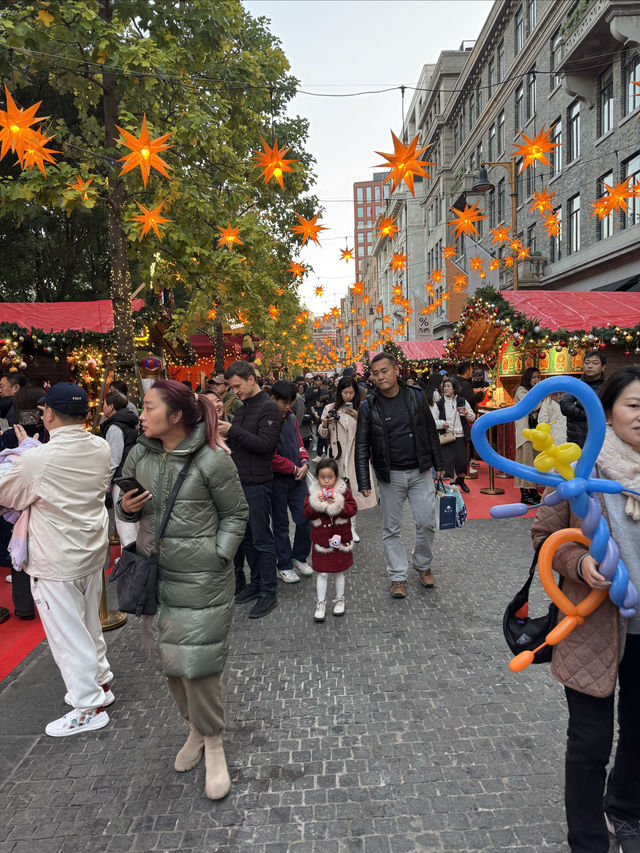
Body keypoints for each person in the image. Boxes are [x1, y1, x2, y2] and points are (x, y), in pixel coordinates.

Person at [117, 379, 248, 800]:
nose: (141, 414)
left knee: (200, 664)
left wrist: (218, 556)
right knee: (168, 661)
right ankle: (195, 729)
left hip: (202, 579)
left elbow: (236, 513)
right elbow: (119, 499)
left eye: (149, 407)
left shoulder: (213, 459)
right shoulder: (140, 453)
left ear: (175, 416)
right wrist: (124, 507)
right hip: (153, 575)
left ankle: (214, 743)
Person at [530, 365, 640, 853]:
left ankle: (625, 809)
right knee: (590, 744)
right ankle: (589, 839)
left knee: (638, 736)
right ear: (607, 412)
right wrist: (578, 563)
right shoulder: (578, 470)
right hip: (593, 627)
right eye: (634, 406)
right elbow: (544, 538)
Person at [0, 383, 114, 736]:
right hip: (90, 550)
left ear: (48, 414)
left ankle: (88, 705)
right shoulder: (99, 445)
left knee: (67, 635)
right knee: (86, 624)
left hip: (56, 557)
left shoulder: (39, 459)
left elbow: (9, 493)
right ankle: (101, 683)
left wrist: (20, 452)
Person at [355, 353, 445, 598]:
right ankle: (397, 576)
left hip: (420, 471)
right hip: (390, 475)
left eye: (384, 371)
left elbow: (429, 431)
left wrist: (439, 463)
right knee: (391, 528)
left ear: (396, 371)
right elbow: (362, 445)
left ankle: (422, 563)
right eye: (375, 373)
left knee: (426, 522)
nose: (380, 376)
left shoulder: (415, 396)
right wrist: (364, 481)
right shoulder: (368, 406)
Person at [217, 361, 282, 618]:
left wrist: (233, 430)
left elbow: (266, 446)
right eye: (231, 387)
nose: (234, 391)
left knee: (262, 539)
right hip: (241, 482)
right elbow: (242, 442)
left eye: (237, 386)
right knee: (247, 539)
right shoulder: (244, 409)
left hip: (258, 484)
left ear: (251, 379)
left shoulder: (269, 408)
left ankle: (268, 591)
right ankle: (255, 583)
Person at [318, 375, 377, 542]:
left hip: (354, 457)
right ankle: (336, 528)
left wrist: (359, 418)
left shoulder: (362, 409)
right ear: (339, 393)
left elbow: (371, 433)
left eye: (351, 393)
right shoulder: (330, 408)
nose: (348, 396)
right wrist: (325, 423)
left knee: (352, 496)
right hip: (337, 458)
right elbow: (322, 435)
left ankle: (352, 529)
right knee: (335, 495)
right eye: (345, 393)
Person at [303, 457, 357, 622]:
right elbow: (307, 513)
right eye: (322, 477)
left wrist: (337, 505)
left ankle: (340, 599)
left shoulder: (344, 490)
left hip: (340, 538)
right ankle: (321, 603)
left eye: (330, 477)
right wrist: (317, 505)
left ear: (336, 477)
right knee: (323, 573)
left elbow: (352, 509)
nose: (326, 481)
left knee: (339, 571)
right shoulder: (313, 492)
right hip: (322, 539)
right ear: (317, 476)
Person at [269, 381, 312, 583]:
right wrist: (293, 468)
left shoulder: (292, 418)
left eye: (290, 402)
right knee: (281, 524)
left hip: (298, 478)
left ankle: (299, 556)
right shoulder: (267, 420)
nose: (288, 406)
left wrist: (304, 463)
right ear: (273, 399)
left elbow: (299, 443)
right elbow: (271, 456)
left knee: (306, 519)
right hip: (277, 479)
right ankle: (284, 564)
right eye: (284, 402)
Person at [101, 389, 139, 550]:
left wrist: (106, 483)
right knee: (131, 523)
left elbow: (114, 459)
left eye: (104, 404)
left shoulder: (115, 427)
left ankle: (130, 564)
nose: (102, 407)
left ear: (111, 406)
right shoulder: (128, 422)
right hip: (130, 475)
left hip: (121, 479)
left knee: (125, 525)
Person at [431, 376, 476, 493]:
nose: (446, 389)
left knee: (462, 461)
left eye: (448, 386)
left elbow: (472, 417)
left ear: (454, 388)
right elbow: (433, 421)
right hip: (446, 437)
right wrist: (442, 424)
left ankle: (461, 479)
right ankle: (452, 485)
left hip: (460, 435)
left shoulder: (462, 401)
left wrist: (466, 413)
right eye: (444, 386)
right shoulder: (439, 404)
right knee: (449, 462)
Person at [561, 350, 607, 448]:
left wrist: (578, 404)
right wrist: (591, 413)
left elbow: (607, 410)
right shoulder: (574, 384)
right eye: (587, 363)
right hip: (575, 441)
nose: (590, 366)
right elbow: (565, 406)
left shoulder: (607, 387)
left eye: (595, 363)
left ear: (603, 367)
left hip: (601, 442)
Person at [514, 367, 542, 506]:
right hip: (525, 434)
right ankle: (524, 493)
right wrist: (542, 396)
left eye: (538, 377)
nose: (537, 380)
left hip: (535, 434)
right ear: (527, 378)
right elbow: (532, 405)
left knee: (535, 462)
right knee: (525, 463)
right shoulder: (521, 390)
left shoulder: (535, 391)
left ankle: (533, 491)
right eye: (534, 378)